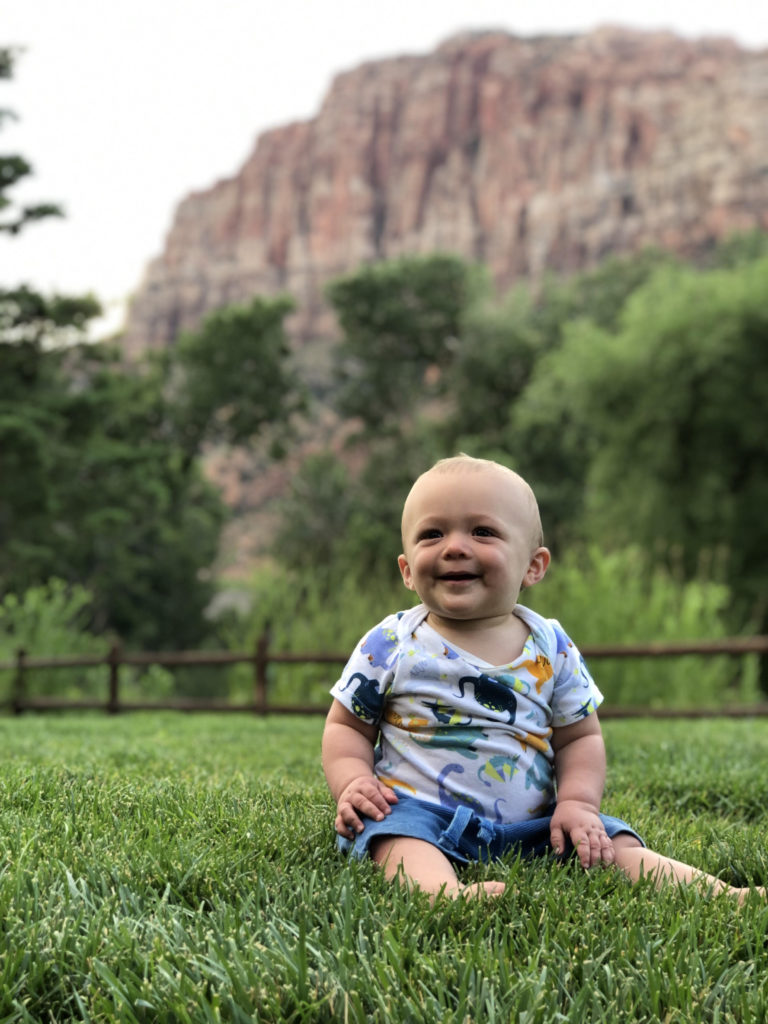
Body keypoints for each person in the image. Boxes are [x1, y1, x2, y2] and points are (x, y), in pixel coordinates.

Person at [322, 454, 765, 901]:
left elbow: (579, 738)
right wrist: (353, 781)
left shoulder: (551, 646)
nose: (454, 546)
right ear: (406, 571)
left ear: (533, 566)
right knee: (394, 837)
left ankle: (723, 895)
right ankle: (440, 892)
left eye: (483, 532)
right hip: (419, 813)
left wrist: (576, 803)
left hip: (535, 829)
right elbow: (346, 725)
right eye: (432, 534)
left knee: (611, 841)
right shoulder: (391, 642)